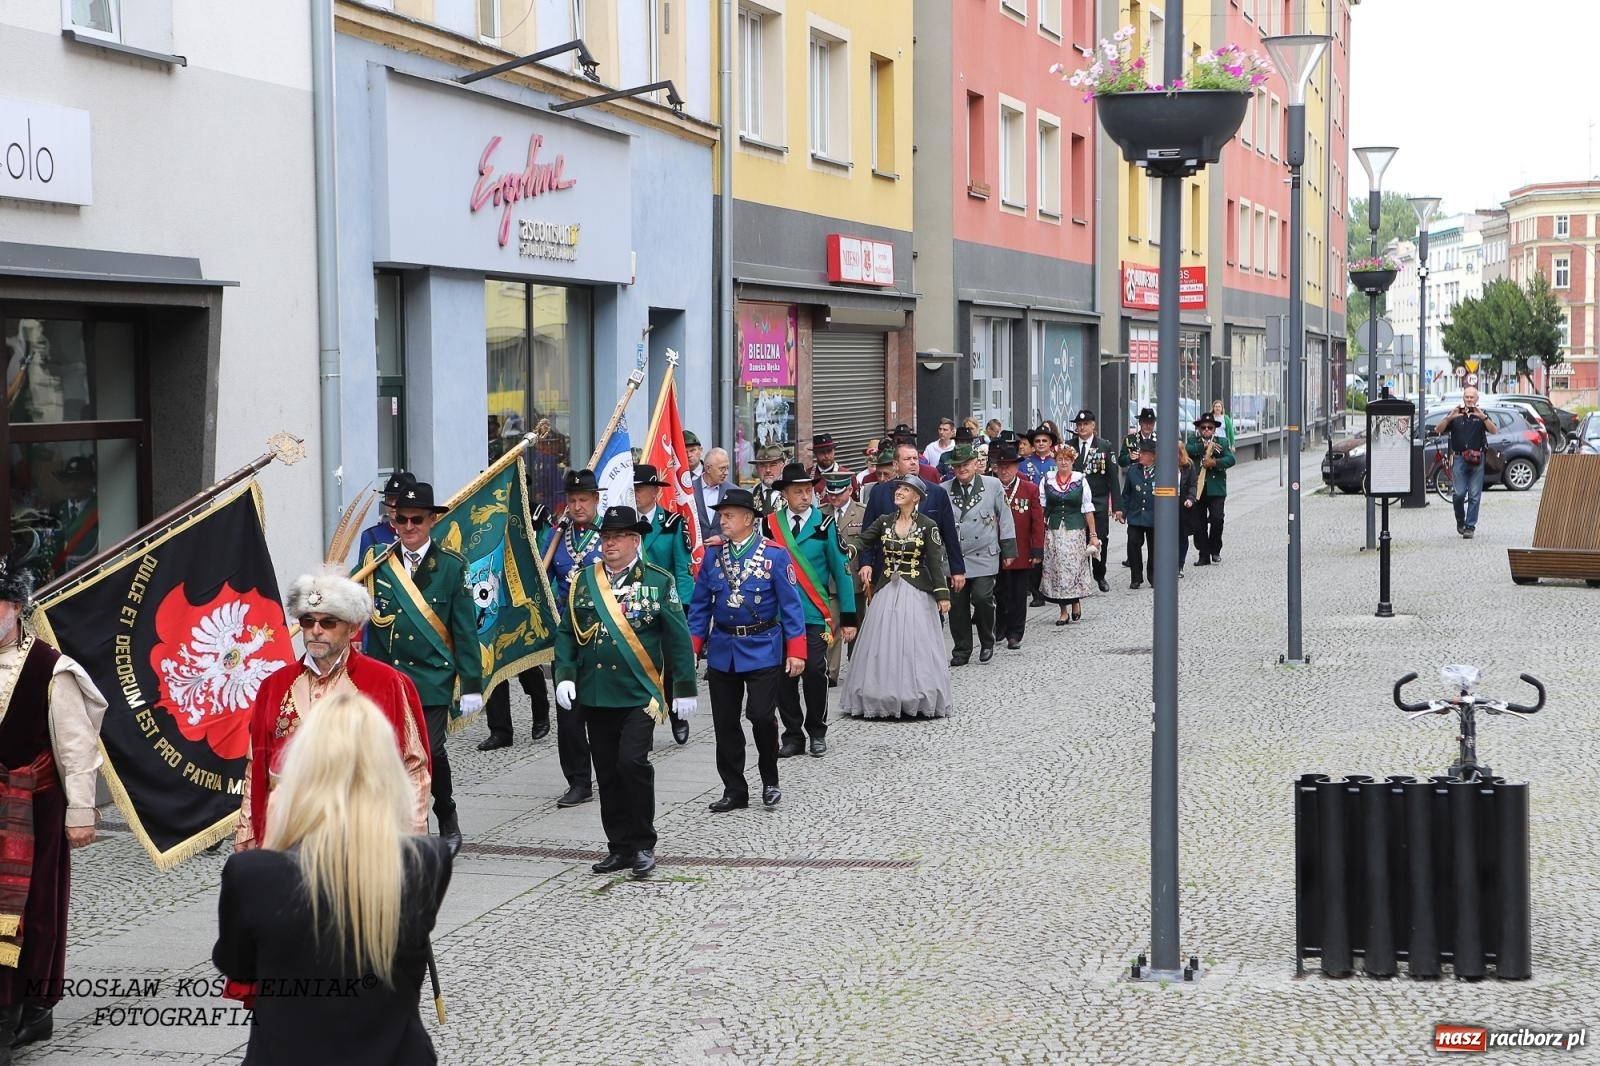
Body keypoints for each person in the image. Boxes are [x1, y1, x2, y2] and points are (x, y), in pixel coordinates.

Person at [213, 692, 453, 1066]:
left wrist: (276, 840)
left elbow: (238, 966)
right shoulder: (427, 862)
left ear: (302, 773)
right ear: (387, 773)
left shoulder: (251, 875)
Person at [237, 572, 432, 852]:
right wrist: (248, 831)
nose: (316, 630)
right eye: (308, 621)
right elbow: (256, 765)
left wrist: (411, 841)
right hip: (287, 834)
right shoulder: (274, 686)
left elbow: (413, 766)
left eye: (328, 622)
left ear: (351, 629)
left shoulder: (385, 682)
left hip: (359, 836)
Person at [553, 505, 697, 878]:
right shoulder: (585, 580)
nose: (609, 543)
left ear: (635, 541)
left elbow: (678, 638)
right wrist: (564, 674)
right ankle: (619, 847)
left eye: (617, 537)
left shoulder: (658, 581)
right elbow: (567, 631)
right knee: (607, 771)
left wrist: (683, 688)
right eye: (605, 537)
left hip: (638, 693)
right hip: (597, 692)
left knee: (632, 763)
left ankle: (644, 844)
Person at [0, 560, 106, 1059]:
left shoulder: (50, 668)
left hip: (33, 809)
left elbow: (76, 744)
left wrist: (80, 810)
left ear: (15, 607)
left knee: (34, 911)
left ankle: (25, 1011)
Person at [360, 481, 483, 852]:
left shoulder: (451, 567)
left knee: (429, 752)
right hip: (387, 677)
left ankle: (445, 813)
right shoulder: (377, 562)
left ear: (432, 521)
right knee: (389, 753)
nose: (409, 527)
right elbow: (350, 603)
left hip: (431, 678)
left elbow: (464, 630)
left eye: (417, 519)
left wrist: (472, 683)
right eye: (402, 519)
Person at [686, 488, 806, 811]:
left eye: (728, 516)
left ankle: (770, 780)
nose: (722, 521)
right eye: (721, 515)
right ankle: (734, 789)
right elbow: (700, 607)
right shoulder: (713, 556)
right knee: (725, 723)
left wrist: (796, 650)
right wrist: (693, 647)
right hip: (723, 649)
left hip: (763, 646)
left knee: (762, 717)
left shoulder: (775, 555)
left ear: (748, 519)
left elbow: (791, 606)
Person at [766, 463, 857, 757]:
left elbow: (842, 572)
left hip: (814, 613)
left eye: (808, 490)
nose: (806, 496)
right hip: (778, 615)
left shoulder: (824, 525)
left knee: (816, 671)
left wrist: (849, 617)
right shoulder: (769, 525)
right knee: (783, 675)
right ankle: (793, 735)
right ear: (785, 494)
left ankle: (817, 730)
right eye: (798, 491)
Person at [843, 478, 953, 719]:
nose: (899, 492)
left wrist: (942, 594)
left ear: (917, 497)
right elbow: (864, 539)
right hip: (887, 590)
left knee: (915, 644)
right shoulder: (884, 521)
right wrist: (849, 550)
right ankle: (881, 694)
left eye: (906, 489)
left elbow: (935, 563)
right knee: (883, 643)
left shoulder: (928, 526)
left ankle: (917, 695)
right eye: (898, 489)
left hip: (916, 591)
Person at [534, 469, 605, 806]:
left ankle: (610, 771)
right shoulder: (557, 535)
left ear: (596, 500)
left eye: (583, 500)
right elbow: (542, 576)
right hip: (568, 635)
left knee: (604, 711)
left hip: (606, 634)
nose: (577, 506)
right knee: (568, 712)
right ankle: (578, 780)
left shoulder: (611, 533)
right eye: (572, 500)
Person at [633, 464, 696, 744]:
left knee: (669, 666)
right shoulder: (624, 523)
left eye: (641, 488)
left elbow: (682, 569)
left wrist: (683, 608)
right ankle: (640, 725)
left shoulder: (672, 523)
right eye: (633, 488)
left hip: (665, 606)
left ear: (655, 492)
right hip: (633, 606)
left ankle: (677, 715)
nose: (636, 493)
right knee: (638, 666)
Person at [945, 443, 1016, 666]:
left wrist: (1009, 548)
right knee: (957, 605)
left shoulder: (992, 485)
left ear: (976, 463)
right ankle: (962, 649)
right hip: (956, 556)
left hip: (984, 553)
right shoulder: (944, 489)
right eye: (957, 465)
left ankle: (987, 640)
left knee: (983, 597)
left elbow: (1005, 517)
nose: (962, 469)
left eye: (966, 464)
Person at [863, 442, 967, 586]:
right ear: (895, 464)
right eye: (907, 459)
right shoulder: (879, 493)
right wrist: (866, 563)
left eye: (915, 458)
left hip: (926, 571)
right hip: (888, 571)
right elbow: (868, 532)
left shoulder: (937, 493)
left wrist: (957, 570)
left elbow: (950, 534)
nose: (913, 462)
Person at [1040, 443, 1101, 624]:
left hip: (1075, 532)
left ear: (1073, 461)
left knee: (1073, 568)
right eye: (1060, 459)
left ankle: (1075, 601)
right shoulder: (1047, 479)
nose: (1063, 463)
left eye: (1067, 459)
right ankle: (1063, 611)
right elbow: (1042, 507)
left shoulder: (1080, 479)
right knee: (1057, 569)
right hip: (1054, 531)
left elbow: (1088, 509)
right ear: (1055, 461)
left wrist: (1093, 535)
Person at [991, 444, 1043, 651]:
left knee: (1019, 593)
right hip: (994, 549)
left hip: (1021, 549)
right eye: (1001, 466)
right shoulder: (990, 487)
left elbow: (1037, 522)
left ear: (1016, 467)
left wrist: (1037, 549)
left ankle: (1015, 632)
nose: (1004, 470)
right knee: (999, 591)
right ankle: (1001, 625)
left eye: (1009, 466)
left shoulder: (1029, 489)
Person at [819, 472, 869, 686]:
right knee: (832, 626)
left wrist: (867, 568)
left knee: (856, 624)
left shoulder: (862, 513)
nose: (834, 498)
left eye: (838, 494)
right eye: (830, 494)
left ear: (849, 490)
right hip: (829, 580)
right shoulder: (820, 513)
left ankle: (857, 667)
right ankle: (830, 673)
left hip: (855, 580)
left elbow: (868, 544)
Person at [1069, 409, 1121, 593]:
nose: (1082, 427)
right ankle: (1081, 577)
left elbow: (1113, 477)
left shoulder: (1104, 446)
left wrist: (1117, 506)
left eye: (1085, 424)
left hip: (1098, 501)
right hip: (1075, 502)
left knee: (1100, 539)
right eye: (1079, 425)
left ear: (1093, 426)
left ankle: (1100, 575)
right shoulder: (1069, 446)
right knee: (1078, 540)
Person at [1437, 385, 1494, 538]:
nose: (1469, 399)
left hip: (1477, 458)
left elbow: (1494, 430)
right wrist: (1449, 417)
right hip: (1459, 458)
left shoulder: (1481, 414)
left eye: (1472, 397)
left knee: (1475, 495)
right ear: (1463, 398)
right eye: (1467, 397)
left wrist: (1483, 417)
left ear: (1477, 398)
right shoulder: (1456, 414)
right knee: (1458, 494)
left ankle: (1470, 526)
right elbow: (1438, 429)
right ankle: (1460, 520)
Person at [1186, 413, 1235, 565]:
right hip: (1198, 489)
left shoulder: (1222, 442)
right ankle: (1203, 554)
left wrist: (1215, 463)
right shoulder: (1193, 441)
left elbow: (1231, 459)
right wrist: (1205, 446)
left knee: (1217, 519)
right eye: (1203, 427)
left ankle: (1215, 549)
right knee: (1198, 523)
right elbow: (1187, 450)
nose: (1206, 430)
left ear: (1214, 429)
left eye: (1210, 427)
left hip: (1216, 488)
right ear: (1199, 429)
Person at [1117, 441, 1159, 589]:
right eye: (1140, 452)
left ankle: (1153, 576)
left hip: (1155, 517)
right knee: (1133, 544)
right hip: (1136, 516)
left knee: (1154, 548)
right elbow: (1126, 494)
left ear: (1153, 456)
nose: (1140, 455)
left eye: (1144, 453)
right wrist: (1122, 511)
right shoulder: (1133, 470)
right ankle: (1136, 577)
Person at [49, 456, 97, 576]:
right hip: (59, 578)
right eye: (69, 480)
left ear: (91, 481)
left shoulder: (100, 508)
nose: (73, 484)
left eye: (79, 479)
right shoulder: (55, 509)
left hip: (88, 576)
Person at [693, 447, 731, 546]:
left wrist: (723, 538)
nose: (726, 472)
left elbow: (740, 526)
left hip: (724, 550)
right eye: (722, 468)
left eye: (727, 468)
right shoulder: (689, 490)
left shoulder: (733, 491)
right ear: (708, 468)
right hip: (694, 550)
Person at [751, 444, 788, 514]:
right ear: (756, 468)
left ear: (782, 466)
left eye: (773, 465)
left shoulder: (793, 494)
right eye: (762, 465)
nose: (768, 470)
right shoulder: (748, 495)